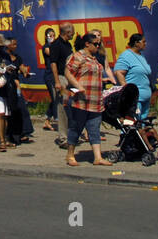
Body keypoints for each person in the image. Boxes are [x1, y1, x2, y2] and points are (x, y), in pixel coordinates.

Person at [64, 32, 111, 166]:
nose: (98, 46)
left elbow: (92, 75)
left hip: (95, 100)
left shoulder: (95, 59)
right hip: (81, 100)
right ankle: (70, 155)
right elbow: (67, 72)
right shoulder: (77, 56)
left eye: (99, 44)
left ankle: (98, 157)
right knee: (76, 128)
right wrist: (78, 86)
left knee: (94, 129)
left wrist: (103, 79)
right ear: (87, 44)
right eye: (96, 44)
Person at [48, 22, 76, 149]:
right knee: (62, 108)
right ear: (67, 32)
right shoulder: (56, 45)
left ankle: (71, 135)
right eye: (72, 32)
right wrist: (57, 82)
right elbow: (53, 63)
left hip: (69, 78)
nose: (74, 34)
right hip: (61, 77)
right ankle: (63, 138)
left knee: (71, 108)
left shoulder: (68, 45)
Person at [113, 32, 152, 122]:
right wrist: (128, 92)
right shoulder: (126, 55)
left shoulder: (141, 56)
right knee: (131, 123)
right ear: (136, 43)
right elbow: (119, 72)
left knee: (143, 124)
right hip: (135, 98)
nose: (145, 44)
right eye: (143, 41)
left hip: (145, 97)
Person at [5, 36, 35, 141]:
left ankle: (24, 132)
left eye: (16, 44)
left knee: (22, 108)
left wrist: (26, 72)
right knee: (9, 111)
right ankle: (8, 133)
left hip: (16, 87)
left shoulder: (17, 58)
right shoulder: (3, 57)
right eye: (13, 44)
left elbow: (22, 68)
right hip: (7, 86)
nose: (15, 46)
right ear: (7, 45)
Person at [39, 29, 59, 130]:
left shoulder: (56, 46)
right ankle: (57, 118)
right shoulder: (46, 47)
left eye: (53, 35)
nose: (52, 37)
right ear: (46, 37)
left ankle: (47, 120)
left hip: (57, 75)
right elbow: (52, 54)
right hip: (49, 75)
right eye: (49, 35)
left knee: (56, 97)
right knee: (55, 97)